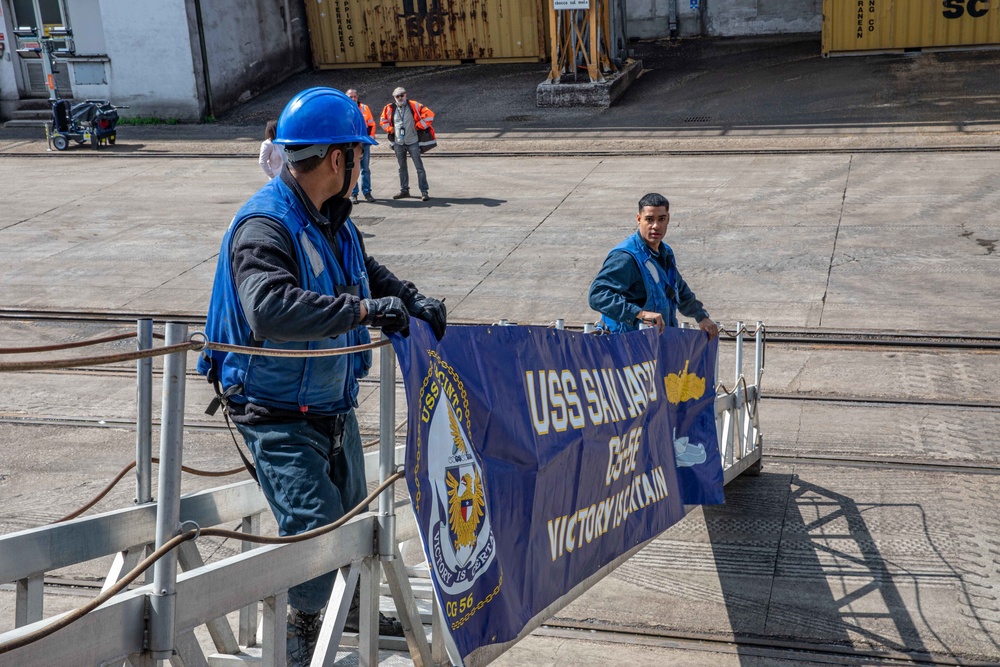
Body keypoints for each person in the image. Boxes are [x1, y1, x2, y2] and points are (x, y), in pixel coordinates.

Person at [197, 87, 447, 667]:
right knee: (314, 533)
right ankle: (302, 637)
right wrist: (364, 312)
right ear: (338, 159)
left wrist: (408, 297)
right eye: (359, 154)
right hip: (275, 411)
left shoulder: (332, 219)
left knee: (353, 521)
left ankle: (353, 614)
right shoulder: (266, 226)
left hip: (329, 405)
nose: (362, 162)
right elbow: (271, 309)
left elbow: (365, 270)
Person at [589, 193, 719, 338]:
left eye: (661, 219)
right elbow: (597, 295)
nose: (656, 226)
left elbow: (678, 290)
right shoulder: (626, 258)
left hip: (656, 346)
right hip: (626, 347)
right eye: (649, 219)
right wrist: (639, 314)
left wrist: (701, 316)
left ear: (668, 219)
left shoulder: (664, 253)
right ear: (639, 219)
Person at [379, 86, 435, 201]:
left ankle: (424, 191)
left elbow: (430, 115)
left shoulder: (414, 105)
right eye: (397, 96)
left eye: (402, 95)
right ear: (394, 97)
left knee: (419, 168)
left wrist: (419, 126)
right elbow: (382, 121)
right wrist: (390, 129)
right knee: (401, 168)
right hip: (398, 142)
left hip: (412, 142)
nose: (400, 97)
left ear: (405, 95)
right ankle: (404, 190)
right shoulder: (389, 108)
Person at [346, 88, 376, 204]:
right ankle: (354, 193)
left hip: (364, 144)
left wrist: (370, 138)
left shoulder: (364, 108)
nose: (353, 99)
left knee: (365, 169)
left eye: (355, 96)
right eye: (350, 97)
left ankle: (367, 192)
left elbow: (372, 124)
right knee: (353, 169)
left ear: (357, 97)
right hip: (350, 145)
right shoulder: (343, 110)